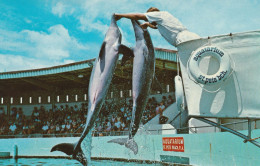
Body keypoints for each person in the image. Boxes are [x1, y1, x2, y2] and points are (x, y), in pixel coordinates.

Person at [115, 7, 200, 47]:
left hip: (184, 40)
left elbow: (138, 16)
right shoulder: (163, 19)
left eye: (149, 19)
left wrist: (121, 15)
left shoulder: (159, 15)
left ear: (152, 15)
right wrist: (148, 24)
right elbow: (155, 26)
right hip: (185, 40)